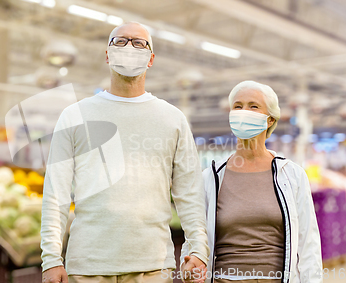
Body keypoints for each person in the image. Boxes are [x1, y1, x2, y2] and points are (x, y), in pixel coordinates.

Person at [41, 22, 209, 283]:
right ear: (107, 55)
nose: (129, 47)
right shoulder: (75, 116)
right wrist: (51, 259)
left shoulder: (172, 118)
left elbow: (190, 191)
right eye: (120, 41)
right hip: (88, 266)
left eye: (139, 42)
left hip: (152, 267)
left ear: (151, 58)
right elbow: (56, 194)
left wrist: (198, 248)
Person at [181, 81, 323, 283]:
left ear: (270, 119)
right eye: (237, 106)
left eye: (253, 106)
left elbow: (308, 244)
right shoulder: (211, 177)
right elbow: (194, 234)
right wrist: (189, 266)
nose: (243, 111)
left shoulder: (292, 175)